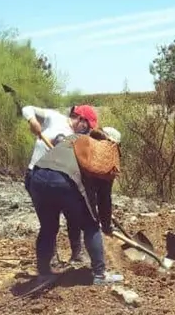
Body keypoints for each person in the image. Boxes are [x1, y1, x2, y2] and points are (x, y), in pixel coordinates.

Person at [24, 104, 123, 285]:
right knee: (91, 226)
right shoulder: (105, 156)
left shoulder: (75, 139)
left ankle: (44, 273)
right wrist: (105, 224)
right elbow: (103, 199)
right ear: (113, 145)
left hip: (37, 178)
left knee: (48, 228)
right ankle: (100, 275)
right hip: (64, 180)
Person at [21, 104, 97, 265]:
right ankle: (51, 257)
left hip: (65, 180)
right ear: (80, 119)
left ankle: (77, 253)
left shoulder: (79, 138)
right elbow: (27, 108)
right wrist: (32, 121)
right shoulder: (54, 118)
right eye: (87, 125)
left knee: (74, 216)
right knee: (49, 220)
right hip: (37, 176)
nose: (88, 129)